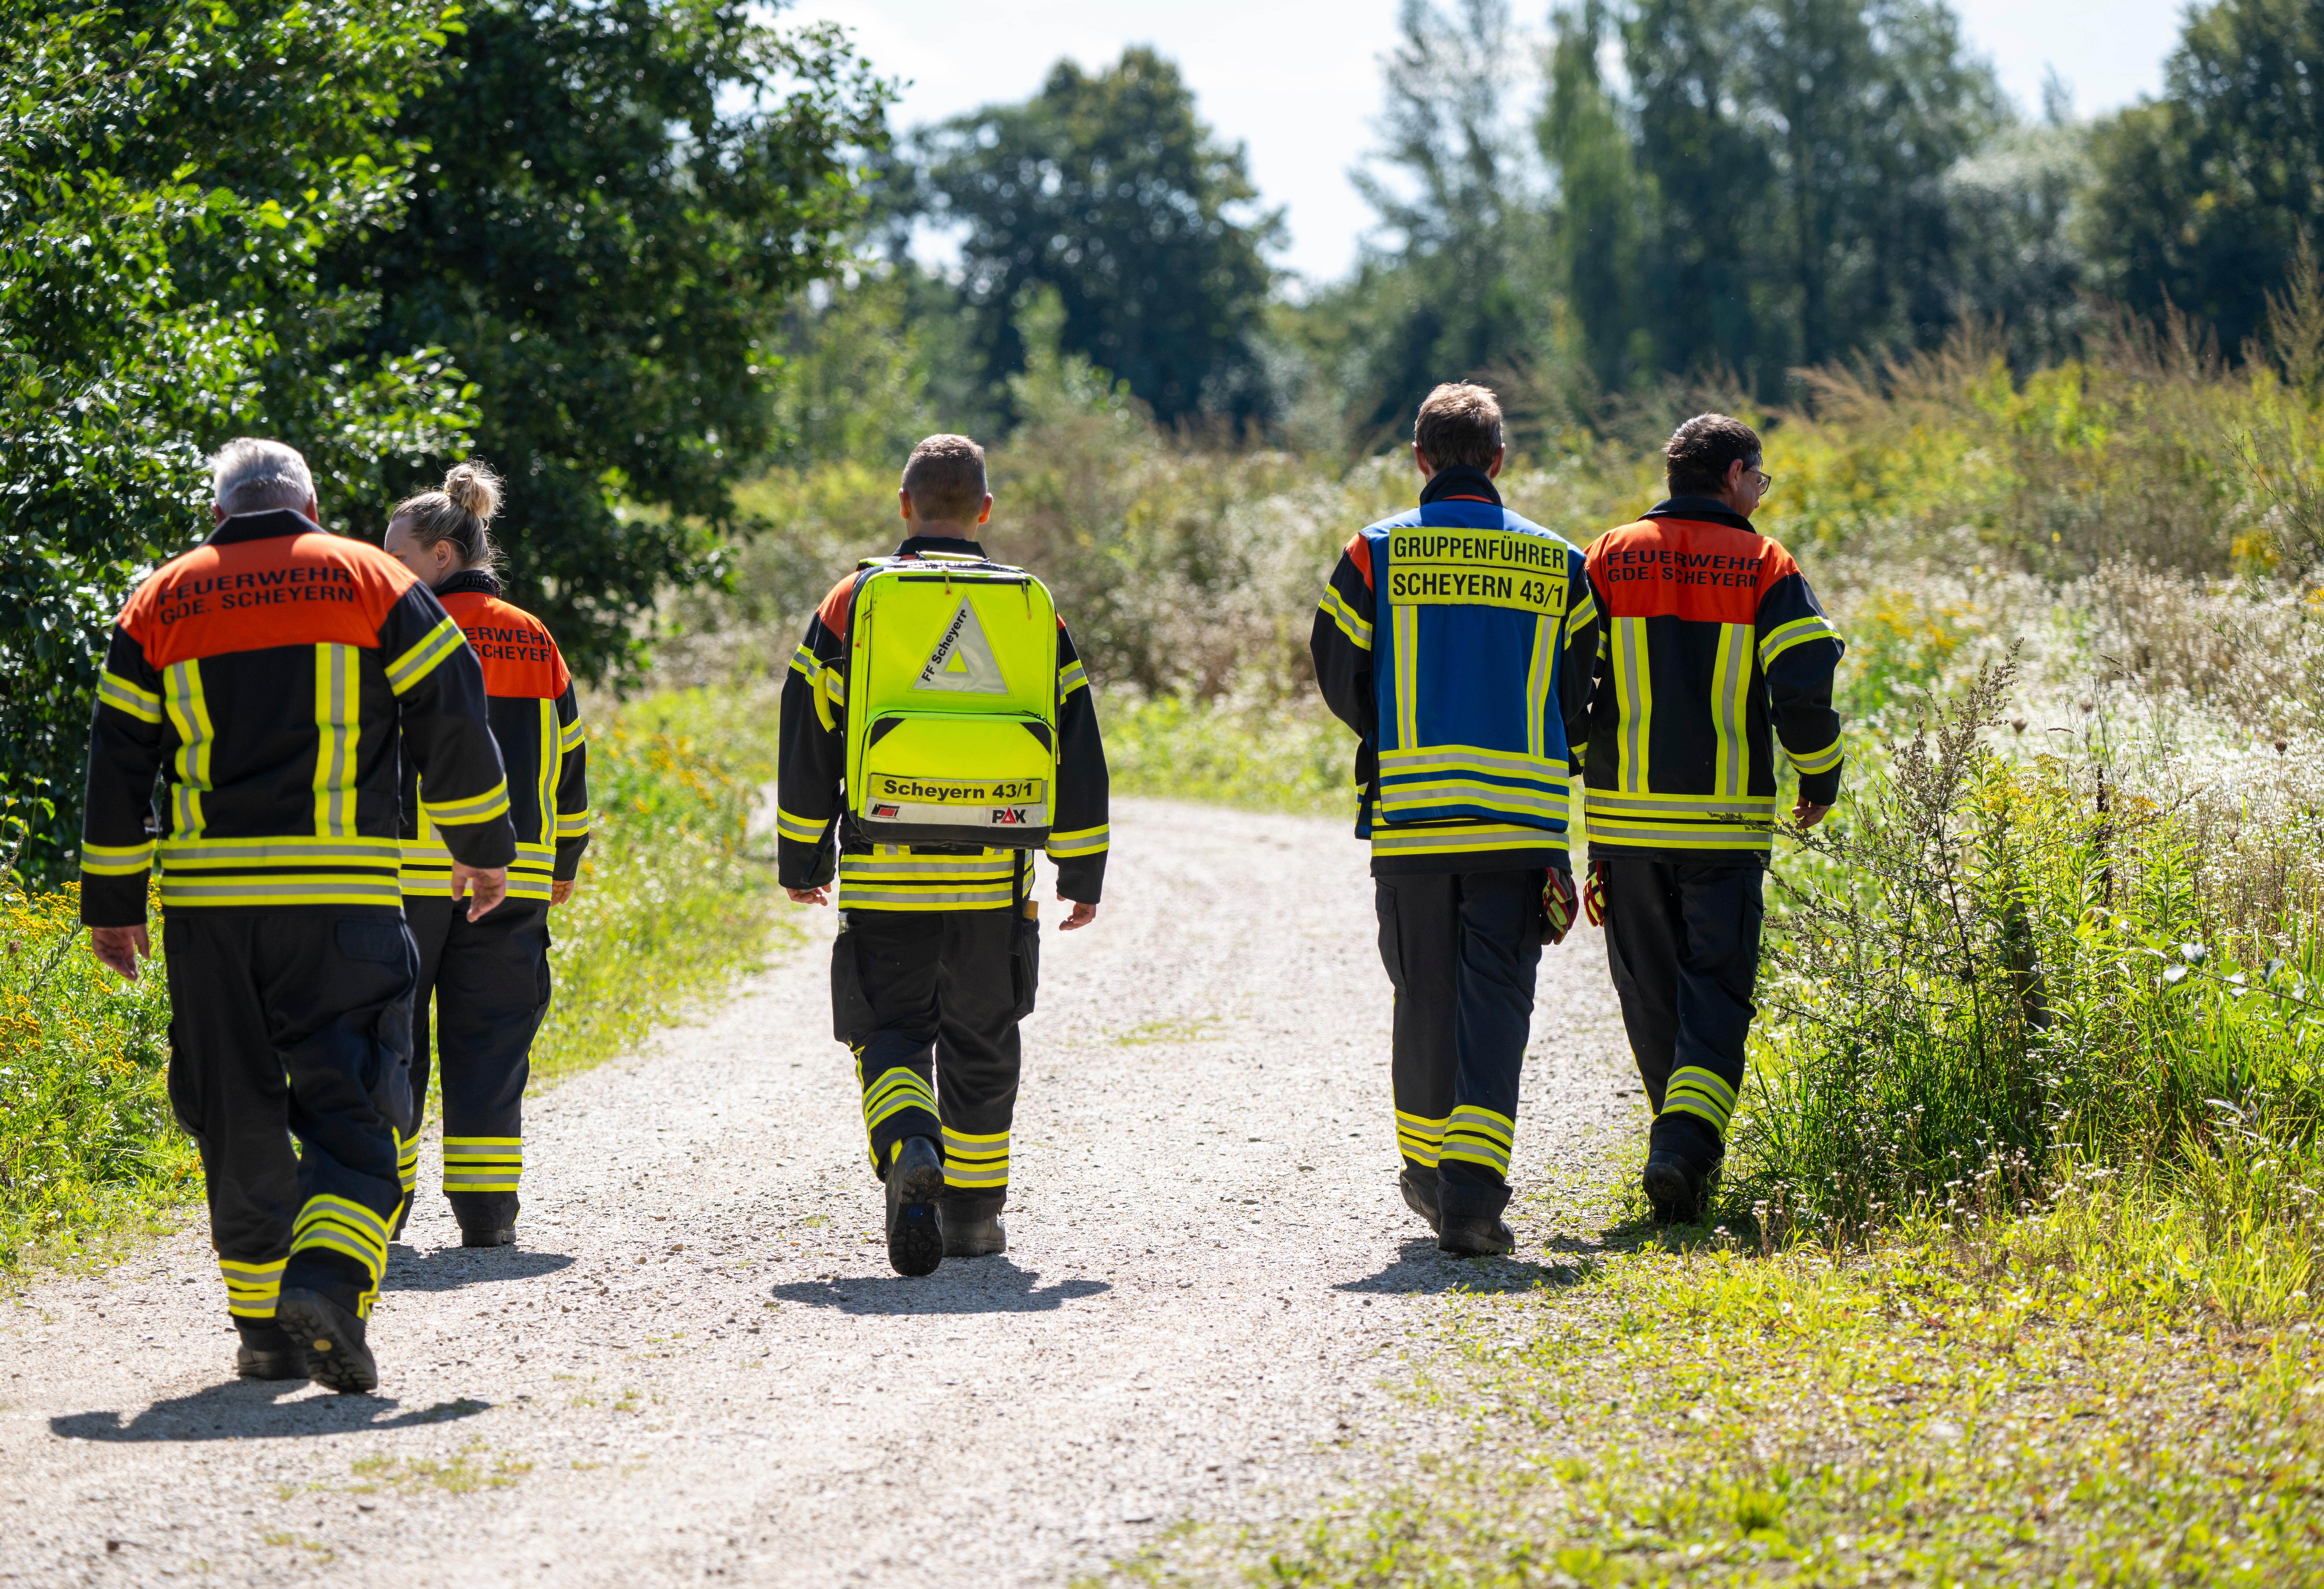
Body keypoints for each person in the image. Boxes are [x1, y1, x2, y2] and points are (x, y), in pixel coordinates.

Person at [80, 438, 513, 1394]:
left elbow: (115, 760)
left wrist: (113, 905)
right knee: (358, 1105)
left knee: (233, 1112)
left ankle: (263, 1335)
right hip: (339, 902)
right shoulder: (370, 578)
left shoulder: (158, 599)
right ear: (310, 504)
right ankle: (324, 1281)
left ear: (219, 510)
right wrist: (485, 848)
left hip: (208, 912)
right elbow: (454, 711)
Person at [775, 434, 1109, 1277]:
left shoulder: (853, 601)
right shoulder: (1034, 608)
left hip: (886, 872)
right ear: (986, 511)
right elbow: (1076, 737)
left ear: (904, 506)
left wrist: (802, 855)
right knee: (985, 1042)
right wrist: (1081, 869)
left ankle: (911, 1141)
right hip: (995, 881)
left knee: (888, 1032)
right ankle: (972, 1220)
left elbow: (807, 726)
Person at [1310, 384, 1599, 1256]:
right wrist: (1551, 747)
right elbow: (1586, 684)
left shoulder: (1375, 553)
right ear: (1500, 460)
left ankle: (1428, 1174)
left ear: (1420, 457)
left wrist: (1396, 726)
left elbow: (1335, 666)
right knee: (1497, 1004)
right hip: (1521, 823)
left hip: (1416, 820)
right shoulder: (1561, 562)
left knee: (1424, 999)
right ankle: (1472, 1197)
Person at [1580, 413, 1845, 1224]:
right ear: (1733, 474)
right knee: (1717, 992)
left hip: (1626, 823)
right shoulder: (1766, 564)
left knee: (1651, 991)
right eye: (1759, 480)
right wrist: (1821, 774)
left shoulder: (1608, 556)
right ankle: (1685, 1146)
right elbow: (1803, 681)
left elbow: (1566, 679)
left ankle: (1677, 1150)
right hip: (1724, 824)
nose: (1760, 496)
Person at [383, 462, 590, 1249]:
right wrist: (563, 859)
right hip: (520, 873)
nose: (382, 569)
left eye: (395, 555)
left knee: (391, 1039)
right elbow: (568, 756)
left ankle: (380, 1208)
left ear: (442, 554)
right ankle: (486, 1215)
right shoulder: (534, 636)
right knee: (492, 1044)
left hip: (406, 871)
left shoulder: (401, 631)